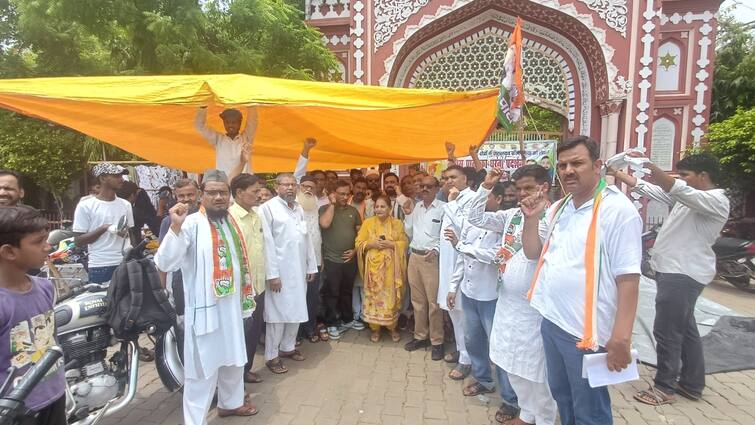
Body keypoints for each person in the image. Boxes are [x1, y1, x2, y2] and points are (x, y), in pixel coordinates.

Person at [521, 136, 642, 425]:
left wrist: (621, 337)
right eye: (562, 165)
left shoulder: (618, 210)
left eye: (577, 163)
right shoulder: (559, 208)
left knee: (591, 410)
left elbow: (628, 277)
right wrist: (531, 219)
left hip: (585, 335)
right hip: (552, 321)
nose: (568, 171)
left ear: (597, 165)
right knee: (563, 397)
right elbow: (532, 253)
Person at [609, 153, 729, 405]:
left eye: (686, 175)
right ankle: (692, 384)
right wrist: (618, 173)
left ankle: (664, 388)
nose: (681, 180)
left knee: (667, 332)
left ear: (703, 176)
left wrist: (650, 166)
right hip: (674, 272)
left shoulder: (715, 200)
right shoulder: (689, 199)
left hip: (682, 273)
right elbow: (657, 191)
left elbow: (672, 187)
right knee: (686, 330)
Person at [155, 170, 258, 425]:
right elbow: (166, 261)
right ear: (202, 195)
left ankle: (230, 403)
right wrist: (175, 228)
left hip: (232, 305)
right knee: (202, 367)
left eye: (223, 192)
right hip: (205, 310)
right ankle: (194, 420)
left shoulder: (230, 221)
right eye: (212, 192)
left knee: (234, 356)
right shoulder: (189, 224)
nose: (219, 197)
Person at [469, 166, 556, 425]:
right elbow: (475, 217)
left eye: (528, 188)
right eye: (518, 189)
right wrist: (486, 186)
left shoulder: (554, 216)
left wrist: (534, 216)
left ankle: (545, 419)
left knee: (535, 370)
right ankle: (527, 414)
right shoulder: (510, 216)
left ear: (544, 187)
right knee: (512, 363)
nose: (521, 194)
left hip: (535, 308)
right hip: (507, 302)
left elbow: (533, 255)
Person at [445, 182, 519, 414]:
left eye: (485, 197)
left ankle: (510, 400)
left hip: (492, 297)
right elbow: (461, 258)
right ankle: (484, 380)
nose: (479, 203)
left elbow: (496, 256)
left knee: (499, 349)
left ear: (498, 200)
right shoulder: (473, 224)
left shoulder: (506, 225)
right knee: (473, 341)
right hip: (469, 293)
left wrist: (464, 247)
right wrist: (452, 286)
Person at [0, 206, 66, 425]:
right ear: (9, 252)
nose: (48, 247)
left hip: (54, 396)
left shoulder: (45, 287)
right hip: (15, 410)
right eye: (38, 242)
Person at [258, 174, 318, 374]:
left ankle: (288, 348)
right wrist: (272, 275)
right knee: (277, 315)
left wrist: (311, 266)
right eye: (286, 185)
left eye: (294, 185)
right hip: (280, 274)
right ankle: (271, 356)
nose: (291, 188)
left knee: (296, 311)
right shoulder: (267, 209)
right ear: (277, 187)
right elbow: (266, 244)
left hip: (299, 271)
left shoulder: (298, 208)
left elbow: (306, 238)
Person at [229, 173, 267, 385]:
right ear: (239, 193)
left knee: (253, 332)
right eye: (254, 191)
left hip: (258, 285)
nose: (259, 194)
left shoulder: (256, 215)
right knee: (239, 333)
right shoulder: (229, 218)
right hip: (240, 289)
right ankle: (234, 378)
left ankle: (246, 370)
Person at [402, 176, 445, 359]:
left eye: (429, 186)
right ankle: (421, 336)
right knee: (418, 302)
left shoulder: (444, 208)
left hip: (431, 259)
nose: (425, 189)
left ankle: (437, 341)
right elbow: (409, 232)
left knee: (434, 303)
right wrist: (407, 214)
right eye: (422, 186)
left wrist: (436, 249)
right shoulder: (416, 207)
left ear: (437, 188)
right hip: (415, 257)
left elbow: (446, 236)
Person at [355, 195, 408, 343]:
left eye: (383, 206)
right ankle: (375, 329)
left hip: (391, 270)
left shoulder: (397, 224)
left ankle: (392, 328)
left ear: (390, 209)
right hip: (373, 270)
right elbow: (359, 242)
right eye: (377, 206)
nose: (379, 209)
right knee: (373, 297)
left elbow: (404, 242)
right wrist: (371, 244)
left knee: (390, 297)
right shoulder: (367, 223)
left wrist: (392, 245)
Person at [438, 165, 475, 375]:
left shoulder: (472, 200)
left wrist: (452, 203)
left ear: (465, 180)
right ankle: (462, 350)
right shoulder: (450, 201)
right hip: (447, 266)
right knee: (454, 313)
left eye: (453, 177)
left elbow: (467, 231)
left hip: (463, 267)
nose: (448, 181)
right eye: (445, 178)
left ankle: (467, 359)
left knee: (464, 315)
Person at [73, 163, 134, 284]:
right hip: (101, 265)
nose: (121, 179)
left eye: (121, 176)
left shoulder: (125, 205)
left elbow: (132, 234)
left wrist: (125, 234)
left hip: (126, 263)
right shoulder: (86, 206)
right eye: (116, 176)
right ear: (102, 178)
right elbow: (78, 241)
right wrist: (104, 228)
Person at [320, 180, 363, 338]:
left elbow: (360, 234)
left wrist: (355, 250)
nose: (345, 197)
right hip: (332, 259)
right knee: (332, 293)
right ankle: (331, 323)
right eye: (341, 194)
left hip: (350, 259)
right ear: (333, 194)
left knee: (347, 291)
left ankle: (347, 319)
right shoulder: (325, 209)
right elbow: (325, 224)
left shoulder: (353, 211)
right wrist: (332, 204)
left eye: (347, 194)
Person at [293, 139, 324, 343]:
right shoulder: (294, 203)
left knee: (312, 297)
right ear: (298, 187)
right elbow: (297, 174)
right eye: (304, 186)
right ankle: (294, 334)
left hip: (316, 258)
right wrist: (305, 151)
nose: (308, 190)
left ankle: (310, 329)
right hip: (296, 260)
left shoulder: (319, 202)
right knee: (296, 297)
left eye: (311, 187)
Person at [194, 106, 257, 177]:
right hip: (224, 185)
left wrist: (251, 104)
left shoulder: (246, 138)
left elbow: (252, 121)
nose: (230, 125)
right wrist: (203, 107)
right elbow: (200, 127)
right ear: (224, 123)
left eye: (234, 122)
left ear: (240, 123)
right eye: (227, 122)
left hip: (244, 184)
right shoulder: (218, 139)